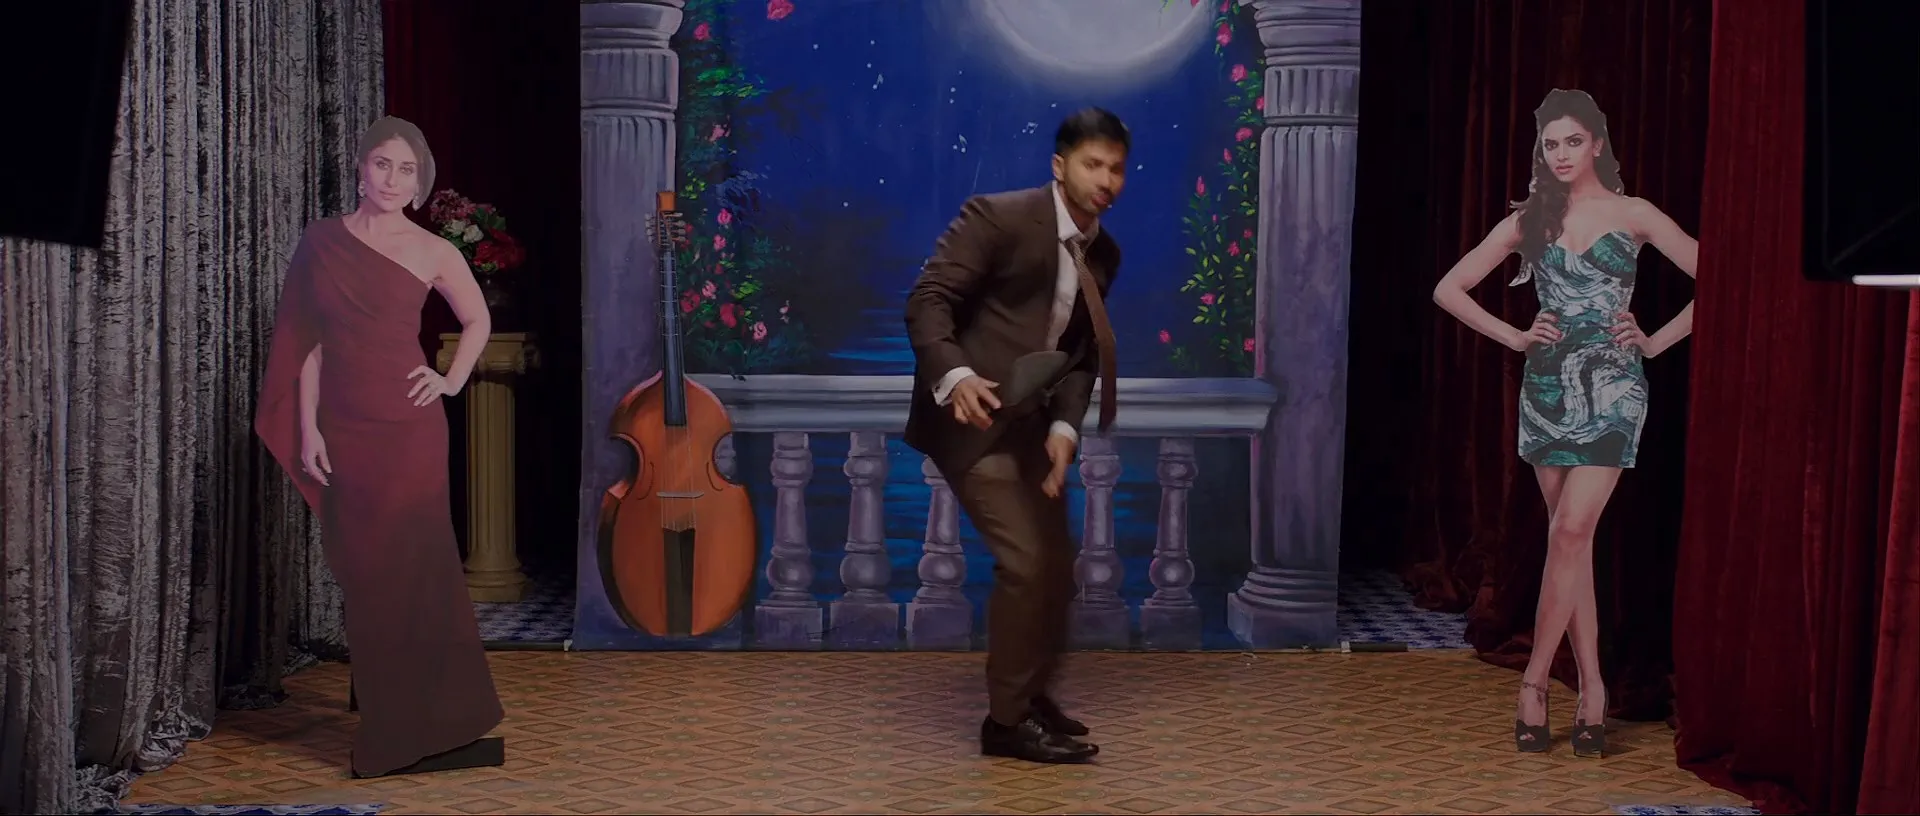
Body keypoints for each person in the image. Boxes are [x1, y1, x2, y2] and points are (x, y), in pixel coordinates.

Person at [1432, 89, 1697, 758]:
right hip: (1548, 388)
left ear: (1597, 145)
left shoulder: (1634, 214)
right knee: (1567, 544)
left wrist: (1655, 342)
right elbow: (1448, 288)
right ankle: (1594, 689)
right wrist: (1517, 337)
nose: (1560, 154)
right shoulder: (1532, 218)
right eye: (1550, 144)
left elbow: (1720, 275)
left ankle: (1534, 683)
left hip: (1613, 387)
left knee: (1573, 531)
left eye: (1572, 141)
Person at [254, 116, 504, 778]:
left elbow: (477, 318)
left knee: (416, 568)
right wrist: (308, 427)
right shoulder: (321, 241)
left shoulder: (433, 250)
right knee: (364, 571)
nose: (393, 179)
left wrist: (450, 379)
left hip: (409, 428)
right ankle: (393, 709)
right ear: (361, 168)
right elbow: (307, 345)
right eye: (383, 164)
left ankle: (427, 724)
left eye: (407, 170)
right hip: (343, 425)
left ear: (419, 184)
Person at [903, 107, 1126, 764]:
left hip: (1032, 423)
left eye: (1116, 168)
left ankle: (1029, 697)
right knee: (1027, 563)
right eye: (1092, 164)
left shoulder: (1103, 253)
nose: (1106, 180)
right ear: (1060, 166)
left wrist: (1063, 427)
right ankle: (1005, 724)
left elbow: (1082, 355)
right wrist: (956, 377)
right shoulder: (997, 217)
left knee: (1055, 568)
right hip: (971, 422)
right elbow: (927, 300)